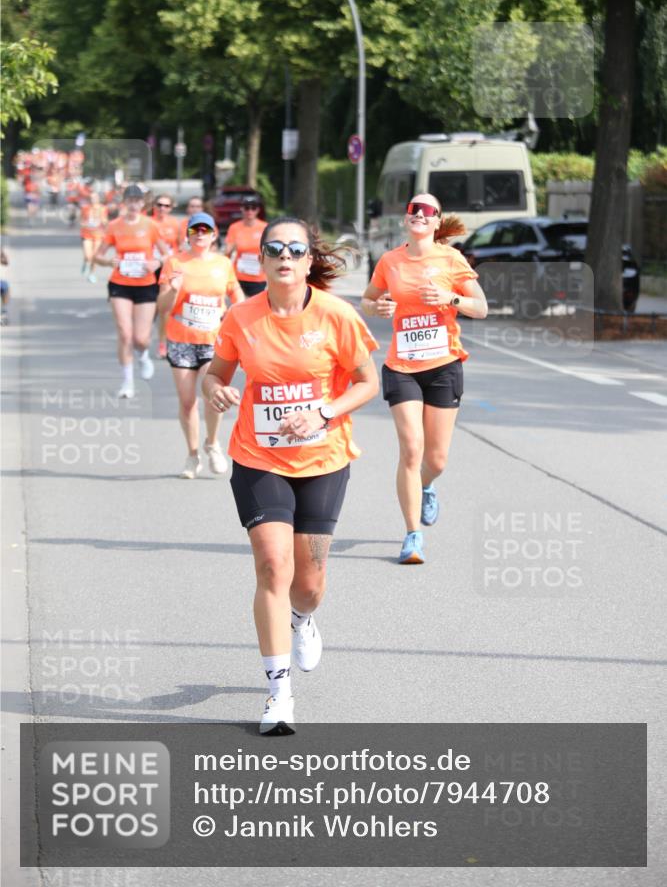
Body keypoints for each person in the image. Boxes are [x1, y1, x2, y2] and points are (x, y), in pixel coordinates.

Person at [203, 218, 379, 734]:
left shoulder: (336, 316)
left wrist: (324, 412)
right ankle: (278, 694)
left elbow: (368, 382)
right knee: (272, 567)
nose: (285, 255)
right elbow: (217, 372)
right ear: (261, 259)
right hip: (259, 458)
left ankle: (302, 620)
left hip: (323, 460)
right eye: (274, 248)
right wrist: (216, 389)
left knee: (309, 583)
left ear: (307, 260)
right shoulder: (242, 318)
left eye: (295, 249)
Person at [361, 193, 488, 565]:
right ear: (406, 220)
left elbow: (481, 307)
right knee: (411, 449)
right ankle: (412, 536)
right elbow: (367, 301)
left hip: (443, 364)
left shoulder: (451, 259)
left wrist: (451, 298)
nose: (419, 213)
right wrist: (377, 306)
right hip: (402, 366)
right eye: (413, 209)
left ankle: (427, 485)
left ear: (436, 222)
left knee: (437, 458)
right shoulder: (390, 261)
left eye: (427, 210)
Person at [158, 212, 244, 478]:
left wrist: (240, 311)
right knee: (186, 402)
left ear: (214, 235)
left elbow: (235, 293)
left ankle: (212, 443)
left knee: (213, 395)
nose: (200, 235)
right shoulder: (174, 262)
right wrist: (173, 290)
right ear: (188, 235)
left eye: (205, 230)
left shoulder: (223, 264)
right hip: (181, 340)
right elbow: (161, 308)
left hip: (213, 341)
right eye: (195, 231)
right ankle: (192, 454)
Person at [94, 185, 168, 398]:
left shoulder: (151, 226)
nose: (134, 204)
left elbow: (168, 253)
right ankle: (128, 382)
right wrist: (109, 261)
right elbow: (97, 256)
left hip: (145, 285)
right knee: (125, 333)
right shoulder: (114, 226)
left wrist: (156, 262)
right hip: (120, 284)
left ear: (143, 203)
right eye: (130, 200)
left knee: (141, 338)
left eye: (138, 200)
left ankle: (143, 355)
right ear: (124, 202)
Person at [153, 194, 185, 358]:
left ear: (171, 208)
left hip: (168, 266)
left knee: (165, 308)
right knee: (152, 308)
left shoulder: (174, 223)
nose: (162, 209)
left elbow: (179, 246)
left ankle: (163, 344)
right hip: (149, 267)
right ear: (154, 206)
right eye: (159, 205)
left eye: (166, 206)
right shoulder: (147, 222)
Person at [224, 194, 267, 297]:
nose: (250, 211)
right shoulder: (234, 227)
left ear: (258, 210)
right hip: (238, 276)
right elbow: (227, 253)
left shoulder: (265, 227)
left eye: (253, 208)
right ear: (241, 209)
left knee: (255, 309)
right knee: (238, 307)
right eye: (246, 208)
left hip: (258, 277)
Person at [78, 190, 108, 283]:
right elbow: (81, 220)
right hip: (86, 233)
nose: (93, 200)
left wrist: (104, 222)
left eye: (94, 198)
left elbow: (105, 221)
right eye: (91, 198)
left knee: (95, 256)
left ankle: (91, 273)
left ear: (98, 199)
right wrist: (84, 224)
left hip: (98, 234)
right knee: (88, 255)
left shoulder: (103, 208)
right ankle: (86, 261)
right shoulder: (85, 208)